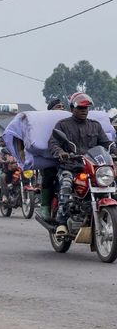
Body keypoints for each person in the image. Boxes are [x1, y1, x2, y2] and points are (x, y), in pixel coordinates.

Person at [48, 92, 117, 235]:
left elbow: (106, 143)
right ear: (72, 108)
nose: (84, 111)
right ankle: (61, 223)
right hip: (70, 166)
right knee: (66, 183)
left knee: (112, 184)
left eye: (86, 108)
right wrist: (61, 153)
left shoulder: (95, 126)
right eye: (80, 108)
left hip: (92, 168)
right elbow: (53, 143)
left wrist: (114, 150)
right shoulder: (62, 125)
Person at [40, 98, 66, 220]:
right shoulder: (45, 123)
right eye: (58, 107)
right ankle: (44, 206)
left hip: (72, 159)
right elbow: (52, 142)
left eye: (62, 106)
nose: (61, 109)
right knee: (49, 176)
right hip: (52, 157)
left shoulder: (69, 122)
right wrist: (59, 152)